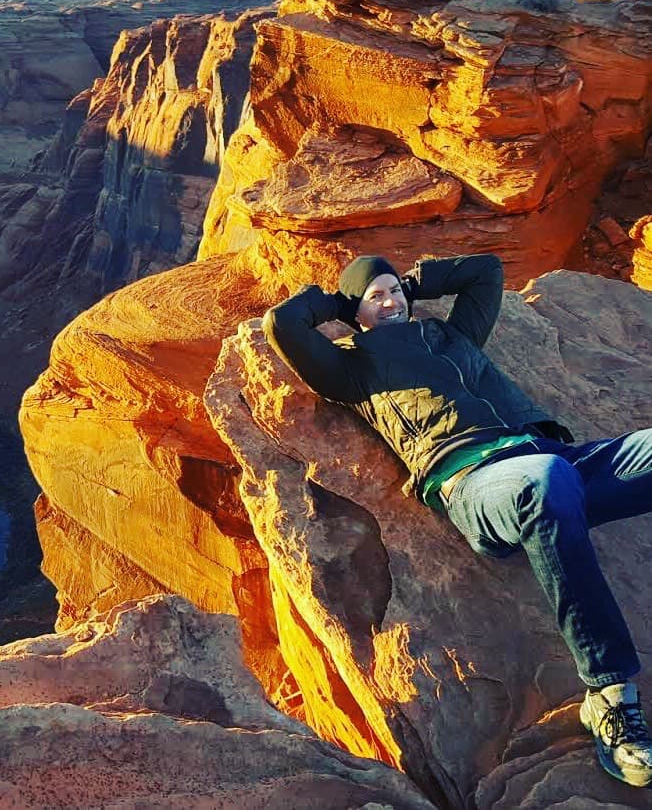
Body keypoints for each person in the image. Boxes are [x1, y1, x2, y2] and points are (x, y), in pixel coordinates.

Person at [262, 253, 652, 788]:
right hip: (478, 483)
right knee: (545, 482)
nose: (391, 300)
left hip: (552, 457)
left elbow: (485, 272)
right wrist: (340, 303)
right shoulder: (349, 367)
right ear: (355, 310)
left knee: (601, 462)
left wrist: (416, 283)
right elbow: (282, 323)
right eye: (376, 295)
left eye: (395, 291)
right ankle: (608, 692)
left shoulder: (453, 338)